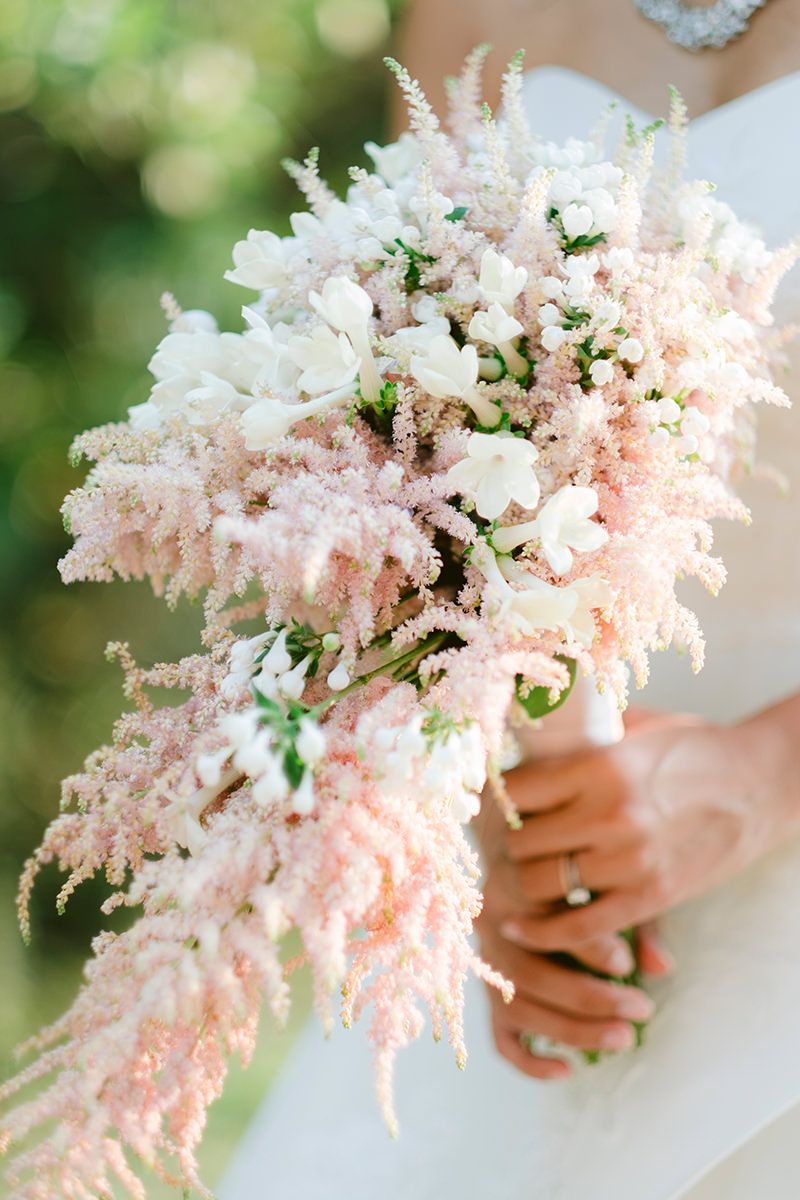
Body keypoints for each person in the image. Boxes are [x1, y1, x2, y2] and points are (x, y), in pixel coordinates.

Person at [221, 4, 800, 1196]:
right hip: (547, 893)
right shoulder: (464, 11)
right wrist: (487, 809)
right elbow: (400, 459)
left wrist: (759, 781)